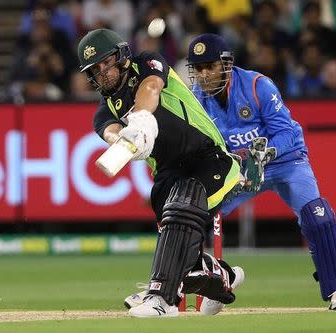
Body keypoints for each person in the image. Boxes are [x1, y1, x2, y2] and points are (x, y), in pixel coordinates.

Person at [77, 28, 245, 318]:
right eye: (96, 69)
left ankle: (161, 298)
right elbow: (111, 131)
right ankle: (222, 277)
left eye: (107, 62)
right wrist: (124, 140)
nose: (103, 72)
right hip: (167, 174)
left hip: (207, 156)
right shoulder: (103, 112)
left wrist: (142, 120)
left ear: (122, 56)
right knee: (188, 266)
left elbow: (151, 88)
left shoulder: (147, 63)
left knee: (182, 206)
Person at [186, 33, 336, 312]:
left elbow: (286, 132)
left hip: (285, 162)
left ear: (225, 65)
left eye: (210, 67)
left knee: (318, 216)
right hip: (239, 169)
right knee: (193, 213)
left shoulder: (258, 86)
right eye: (199, 68)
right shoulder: (197, 99)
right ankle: (216, 285)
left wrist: (267, 154)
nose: (204, 75)